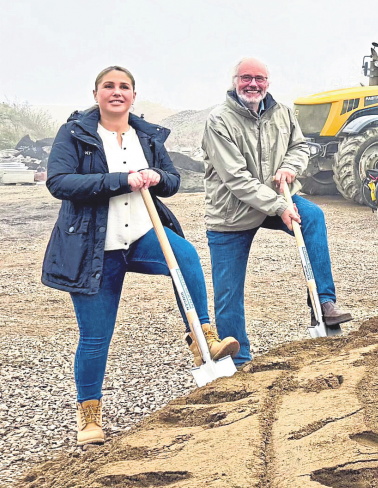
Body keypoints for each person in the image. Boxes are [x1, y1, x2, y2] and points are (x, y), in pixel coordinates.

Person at [42, 66, 240, 446]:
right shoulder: (75, 133)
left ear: (134, 95)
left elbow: (173, 181)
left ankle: (203, 338)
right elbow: (59, 182)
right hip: (93, 247)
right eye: (109, 87)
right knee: (96, 337)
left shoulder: (144, 135)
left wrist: (156, 177)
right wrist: (122, 181)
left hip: (144, 235)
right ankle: (89, 416)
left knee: (185, 257)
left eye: (125, 87)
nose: (117, 92)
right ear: (96, 93)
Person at [202, 57, 352, 366]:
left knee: (312, 216)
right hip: (232, 211)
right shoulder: (219, 120)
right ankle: (238, 362)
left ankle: (324, 303)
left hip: (276, 198)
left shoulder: (282, 113)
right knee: (228, 293)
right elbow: (236, 178)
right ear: (235, 82)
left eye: (259, 78)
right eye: (246, 78)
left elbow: (300, 148)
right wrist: (280, 205)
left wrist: (290, 167)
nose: (253, 84)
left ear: (268, 83)